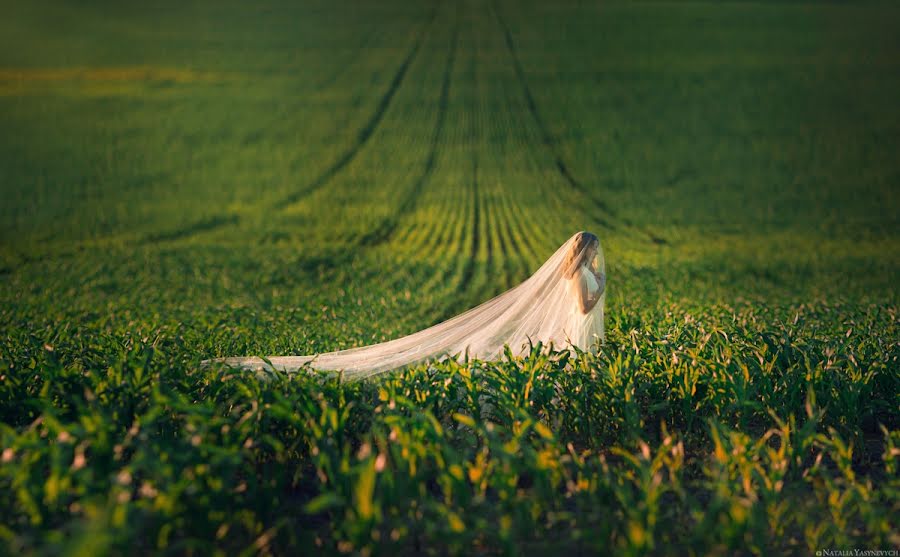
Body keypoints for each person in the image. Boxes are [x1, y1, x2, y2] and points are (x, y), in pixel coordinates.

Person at [203, 231, 606, 380]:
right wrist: (600, 284)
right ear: (586, 251)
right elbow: (584, 307)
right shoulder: (581, 277)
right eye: (594, 251)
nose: (597, 256)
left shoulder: (576, 272)